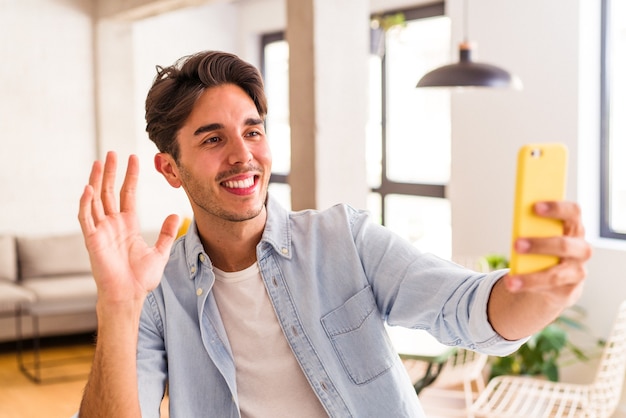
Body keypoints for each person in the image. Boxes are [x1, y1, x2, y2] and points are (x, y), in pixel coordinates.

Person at [76, 50, 591, 418]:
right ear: (170, 169)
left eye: (253, 130)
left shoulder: (343, 239)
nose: (243, 155)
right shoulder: (158, 293)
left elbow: (464, 308)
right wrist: (118, 305)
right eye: (213, 139)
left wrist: (540, 293)